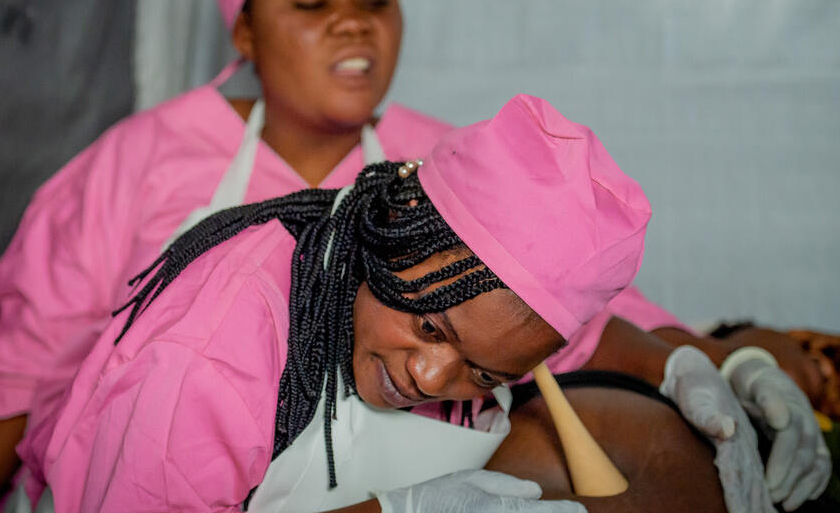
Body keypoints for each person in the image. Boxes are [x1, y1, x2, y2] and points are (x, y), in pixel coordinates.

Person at [0, 0, 829, 510]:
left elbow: (558, 316)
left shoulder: (440, 161)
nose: (354, 26)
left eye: (374, 1)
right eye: (314, 3)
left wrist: (708, 363)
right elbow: (18, 373)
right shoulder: (149, 195)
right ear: (246, 28)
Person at [20, 94, 653, 511]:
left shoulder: (494, 331)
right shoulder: (211, 360)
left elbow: (606, 342)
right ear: (394, 231)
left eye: (484, 375)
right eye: (430, 325)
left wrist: (708, 366)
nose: (429, 378)